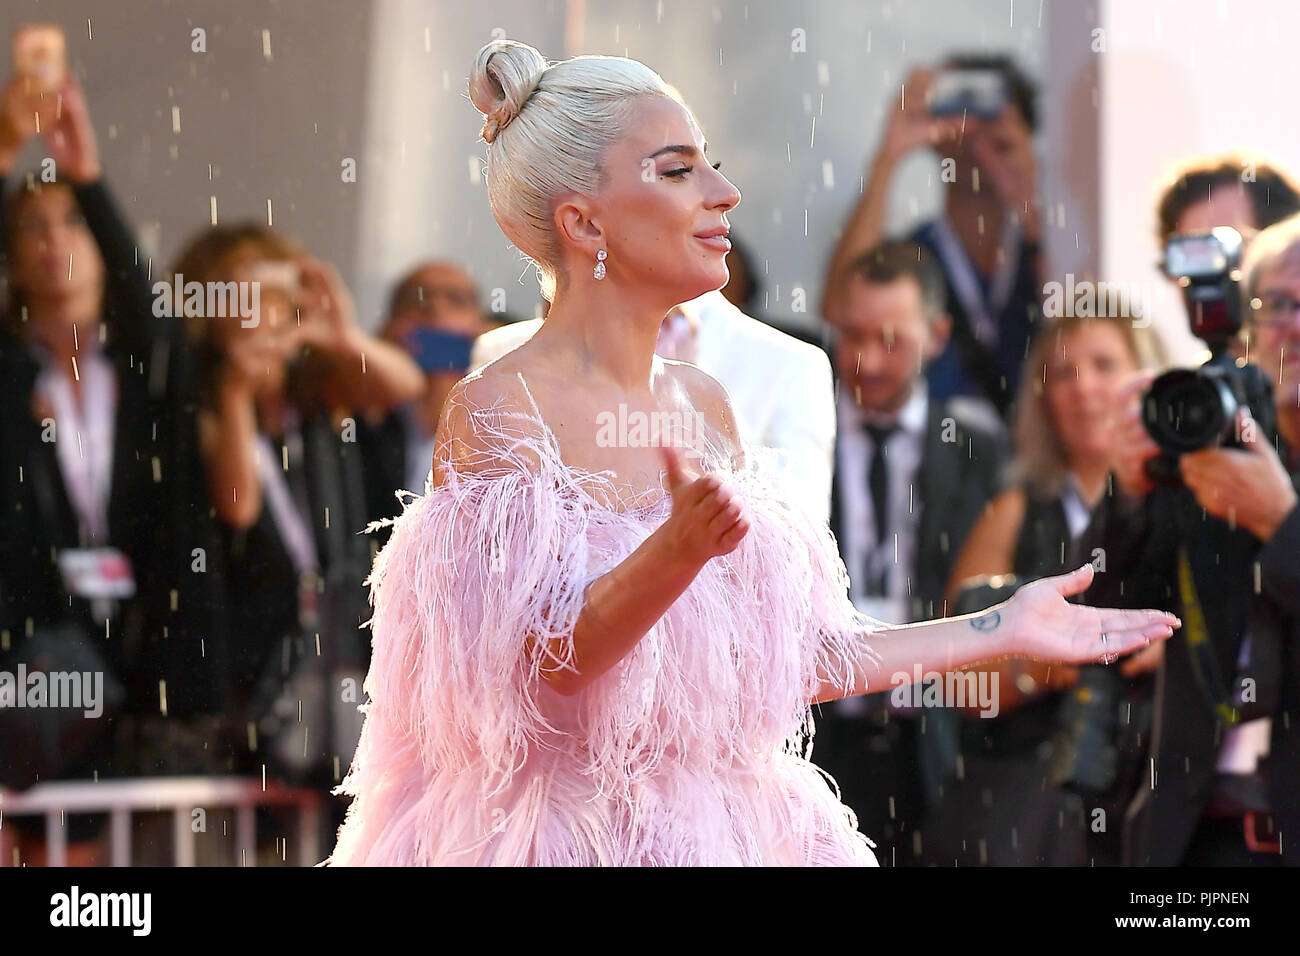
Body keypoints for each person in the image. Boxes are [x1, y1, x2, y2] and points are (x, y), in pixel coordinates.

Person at [323, 39, 1178, 867]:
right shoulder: (496, 408)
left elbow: (787, 659)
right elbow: (535, 683)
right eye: (677, 169)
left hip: (725, 835)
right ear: (583, 222)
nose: (725, 192)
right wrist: (676, 550)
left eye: (713, 163)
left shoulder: (703, 402)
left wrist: (1002, 627)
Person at [0, 67, 227, 865]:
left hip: (134, 641)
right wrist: (3, 153)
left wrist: (87, 174)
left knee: (100, 852)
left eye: (74, 223)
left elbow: (155, 319)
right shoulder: (8, 372)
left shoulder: (143, 374)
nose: (55, 242)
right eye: (33, 226)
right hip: (25, 642)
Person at [175, 223, 422, 807]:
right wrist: (237, 389)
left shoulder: (322, 389)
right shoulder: (198, 399)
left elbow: (404, 385)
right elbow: (238, 507)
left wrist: (340, 333)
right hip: (256, 654)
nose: (264, 314)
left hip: (339, 647)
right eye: (245, 297)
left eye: (277, 297)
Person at [1091, 212, 1300, 866]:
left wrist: (1282, 525)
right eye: (1279, 304)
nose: (1294, 325)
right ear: (1247, 321)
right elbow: (1098, 618)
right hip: (1190, 839)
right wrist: (1128, 490)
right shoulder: (1206, 440)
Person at [919, 310, 1156, 866]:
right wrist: (1057, 663)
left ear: (1145, 377)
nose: (1085, 389)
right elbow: (956, 676)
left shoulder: (1188, 506)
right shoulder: (1014, 512)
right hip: (1024, 809)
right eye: (1063, 373)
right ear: (1042, 398)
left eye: (1104, 365)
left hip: (1156, 789)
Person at [816, 240, 1007, 865]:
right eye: (853, 335)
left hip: (931, 733)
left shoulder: (979, 449)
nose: (867, 361)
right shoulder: (800, 428)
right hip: (813, 729)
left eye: (892, 340)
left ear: (940, 334)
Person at [473, 287, 838, 525]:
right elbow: (487, 569)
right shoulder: (501, 356)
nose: (725, 196)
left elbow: (798, 554)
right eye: (676, 173)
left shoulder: (791, 364)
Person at [822, 55, 1043, 420]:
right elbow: (839, 308)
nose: (975, 133)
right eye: (958, 106)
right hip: (934, 463)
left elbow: (1073, 327)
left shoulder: (1040, 251)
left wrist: (1029, 201)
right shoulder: (916, 255)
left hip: (1033, 460)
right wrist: (890, 154)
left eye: (991, 113)